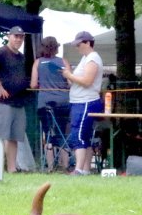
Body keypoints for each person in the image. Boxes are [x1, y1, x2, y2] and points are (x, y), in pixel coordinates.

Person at [0, 26, 30, 173]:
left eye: (21, 37)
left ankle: (12, 168)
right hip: (2, 101)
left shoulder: (21, 57)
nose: (18, 39)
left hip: (18, 101)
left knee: (14, 137)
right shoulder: (2, 52)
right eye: (16, 36)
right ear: (9, 36)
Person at [62, 31, 104, 175]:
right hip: (79, 101)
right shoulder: (86, 58)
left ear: (87, 43)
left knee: (79, 135)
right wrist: (68, 73)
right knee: (84, 135)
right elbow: (75, 81)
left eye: (79, 44)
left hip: (85, 101)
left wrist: (69, 75)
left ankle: (78, 169)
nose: (77, 47)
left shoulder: (92, 59)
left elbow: (87, 81)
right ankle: (85, 169)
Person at [30, 36, 71, 172]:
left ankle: (50, 166)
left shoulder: (38, 63)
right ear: (56, 48)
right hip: (63, 102)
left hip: (44, 103)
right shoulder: (63, 62)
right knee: (62, 132)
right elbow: (71, 82)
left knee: (47, 133)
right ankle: (65, 166)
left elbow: (33, 84)